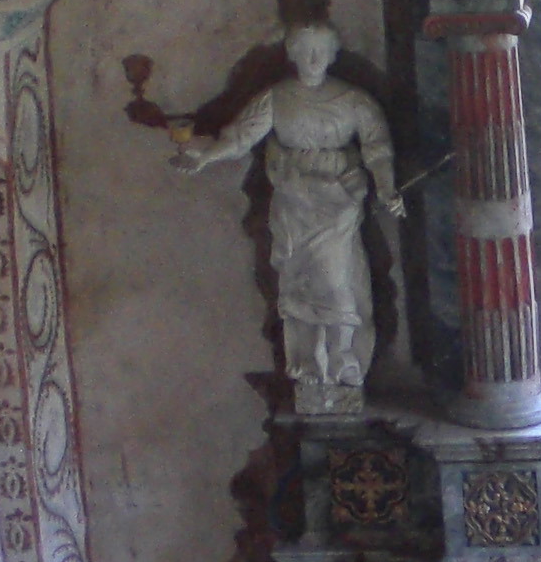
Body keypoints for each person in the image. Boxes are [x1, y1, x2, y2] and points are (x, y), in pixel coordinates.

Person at [168, 22, 403, 414]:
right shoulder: (276, 99)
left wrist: (387, 187)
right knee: (299, 283)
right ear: (292, 53)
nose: (313, 58)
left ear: (332, 54)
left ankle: (344, 360)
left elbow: (378, 149)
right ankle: (311, 364)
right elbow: (240, 137)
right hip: (293, 201)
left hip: (339, 201)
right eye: (305, 49)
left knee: (336, 279)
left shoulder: (354, 101)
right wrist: (205, 156)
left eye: (321, 50)